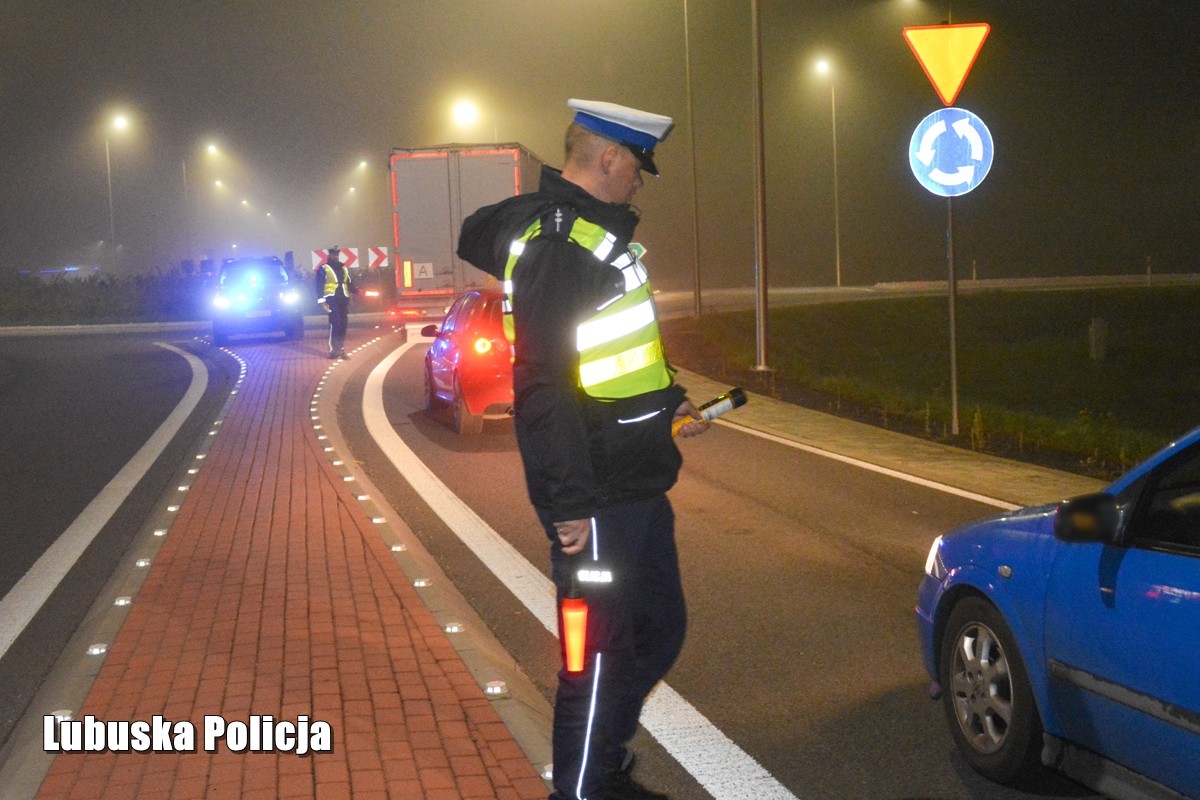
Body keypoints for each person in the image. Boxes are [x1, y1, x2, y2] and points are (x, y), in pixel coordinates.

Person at [457, 99, 709, 800]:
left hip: (634, 483)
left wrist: (669, 399)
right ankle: (582, 788)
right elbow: (542, 384)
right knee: (595, 659)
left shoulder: (595, 237)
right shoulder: (563, 245)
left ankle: (601, 768)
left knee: (659, 625)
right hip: (595, 494)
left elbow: (612, 353)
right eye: (637, 166)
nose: (640, 181)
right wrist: (565, 504)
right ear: (609, 159)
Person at [315, 245, 354, 358]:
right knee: (335, 323)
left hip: (343, 299)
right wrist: (322, 302)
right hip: (332, 299)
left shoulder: (343, 268)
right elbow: (319, 286)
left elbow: (349, 283)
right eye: (334, 254)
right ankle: (333, 350)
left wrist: (357, 291)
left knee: (343, 325)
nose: (336, 256)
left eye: (337, 254)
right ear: (330, 255)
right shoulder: (324, 268)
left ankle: (341, 349)